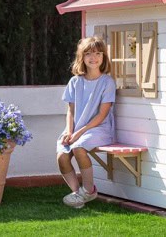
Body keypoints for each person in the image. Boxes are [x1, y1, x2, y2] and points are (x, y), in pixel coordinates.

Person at [56, 36, 116, 208]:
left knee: (79, 148)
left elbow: (102, 115)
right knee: (62, 156)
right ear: (81, 57)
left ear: (103, 57)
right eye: (88, 53)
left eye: (98, 53)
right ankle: (77, 194)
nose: (93, 57)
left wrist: (78, 133)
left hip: (99, 129)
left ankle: (88, 190)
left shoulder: (107, 82)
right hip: (75, 128)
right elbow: (71, 111)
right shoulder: (75, 82)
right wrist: (69, 131)